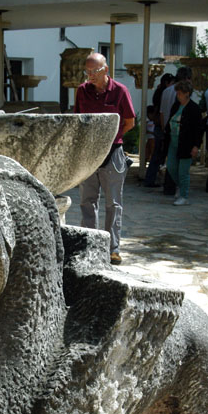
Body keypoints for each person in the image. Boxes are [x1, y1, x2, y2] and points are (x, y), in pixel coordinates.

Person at [74, 53, 135, 265]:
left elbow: (129, 121)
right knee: (87, 202)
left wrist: (114, 138)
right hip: (88, 154)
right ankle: (89, 244)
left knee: (113, 203)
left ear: (105, 70)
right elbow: (77, 120)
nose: (90, 75)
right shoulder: (82, 91)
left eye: (94, 71)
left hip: (113, 153)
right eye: (87, 72)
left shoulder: (120, 91)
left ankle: (113, 249)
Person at [164, 80, 203, 206]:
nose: (177, 95)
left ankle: (184, 196)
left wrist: (196, 146)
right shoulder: (176, 106)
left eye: (180, 93)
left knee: (183, 171)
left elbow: (198, 129)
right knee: (171, 166)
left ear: (187, 93)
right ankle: (180, 187)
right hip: (173, 141)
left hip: (187, 144)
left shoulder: (194, 109)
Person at [160, 67, 193, 195]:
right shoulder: (180, 100)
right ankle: (177, 187)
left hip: (177, 136)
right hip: (174, 135)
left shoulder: (167, 92)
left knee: (178, 165)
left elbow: (162, 112)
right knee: (173, 164)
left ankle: (176, 189)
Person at [144, 72, 174, 187]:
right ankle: (154, 179)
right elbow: (161, 112)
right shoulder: (165, 93)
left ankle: (151, 178)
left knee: (156, 155)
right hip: (162, 127)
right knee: (158, 155)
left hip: (160, 127)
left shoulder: (159, 92)